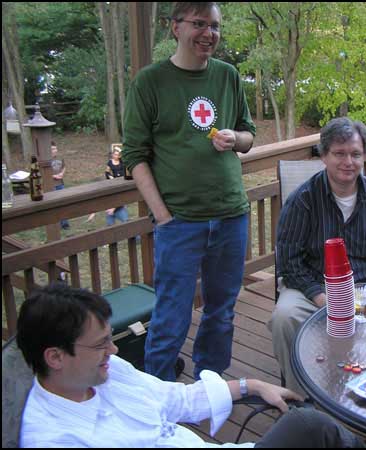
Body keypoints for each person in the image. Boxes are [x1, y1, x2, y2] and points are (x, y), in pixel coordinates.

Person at [16, 284, 366, 448]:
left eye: (110, 338)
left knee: (311, 426)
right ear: (55, 357)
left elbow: (176, 399)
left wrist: (251, 386)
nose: (113, 349)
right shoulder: (53, 438)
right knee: (309, 426)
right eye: (100, 344)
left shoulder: (108, 373)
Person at [121, 2, 256, 382]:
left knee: (221, 309)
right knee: (171, 314)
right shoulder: (150, 82)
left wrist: (235, 138)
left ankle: (210, 384)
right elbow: (135, 156)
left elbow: (248, 135)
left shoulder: (228, 76)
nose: (208, 34)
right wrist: (162, 215)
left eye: (214, 26)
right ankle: (157, 390)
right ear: (175, 27)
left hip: (231, 214)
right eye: (199, 24)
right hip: (179, 221)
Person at [268, 117, 366, 394]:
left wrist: (362, 291)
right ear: (324, 155)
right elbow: (289, 262)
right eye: (339, 153)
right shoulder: (303, 201)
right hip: (314, 287)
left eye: (355, 154)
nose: (348, 162)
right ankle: (299, 399)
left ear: (364, 156)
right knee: (284, 317)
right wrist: (322, 296)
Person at [104, 146, 129, 226]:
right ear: (112, 155)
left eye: (118, 155)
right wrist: (111, 177)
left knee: (123, 195)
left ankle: (122, 207)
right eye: (115, 154)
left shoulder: (122, 161)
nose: (116, 156)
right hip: (114, 181)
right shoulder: (110, 162)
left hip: (122, 180)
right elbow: (107, 172)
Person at [50, 141, 70, 230]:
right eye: (52, 149)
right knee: (54, 204)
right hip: (51, 185)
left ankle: (65, 223)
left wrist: (62, 173)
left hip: (60, 184)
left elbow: (64, 167)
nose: (55, 150)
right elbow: (42, 173)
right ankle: (56, 224)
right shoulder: (45, 161)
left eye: (55, 148)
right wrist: (53, 176)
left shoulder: (60, 158)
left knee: (63, 203)